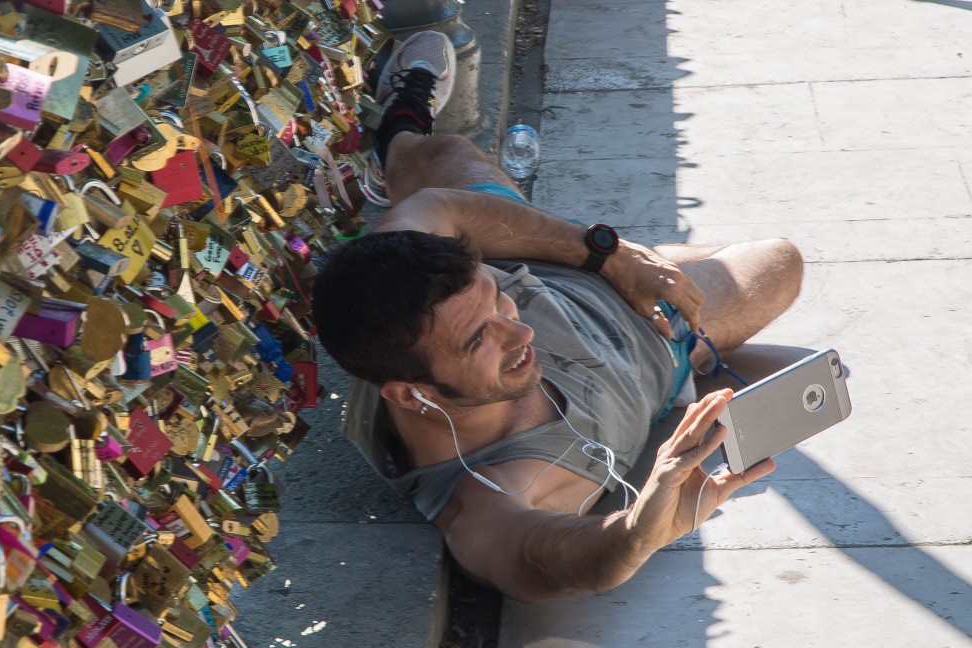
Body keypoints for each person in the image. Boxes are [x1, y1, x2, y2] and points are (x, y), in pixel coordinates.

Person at [312, 32, 803, 603]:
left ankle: (397, 131)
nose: (518, 331)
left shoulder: (405, 282)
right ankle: (674, 307)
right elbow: (546, 556)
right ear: (409, 395)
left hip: (551, 266)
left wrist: (607, 255)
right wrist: (637, 534)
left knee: (443, 160)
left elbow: (435, 209)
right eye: (480, 341)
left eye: (494, 299)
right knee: (779, 263)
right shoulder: (486, 493)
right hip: (657, 337)